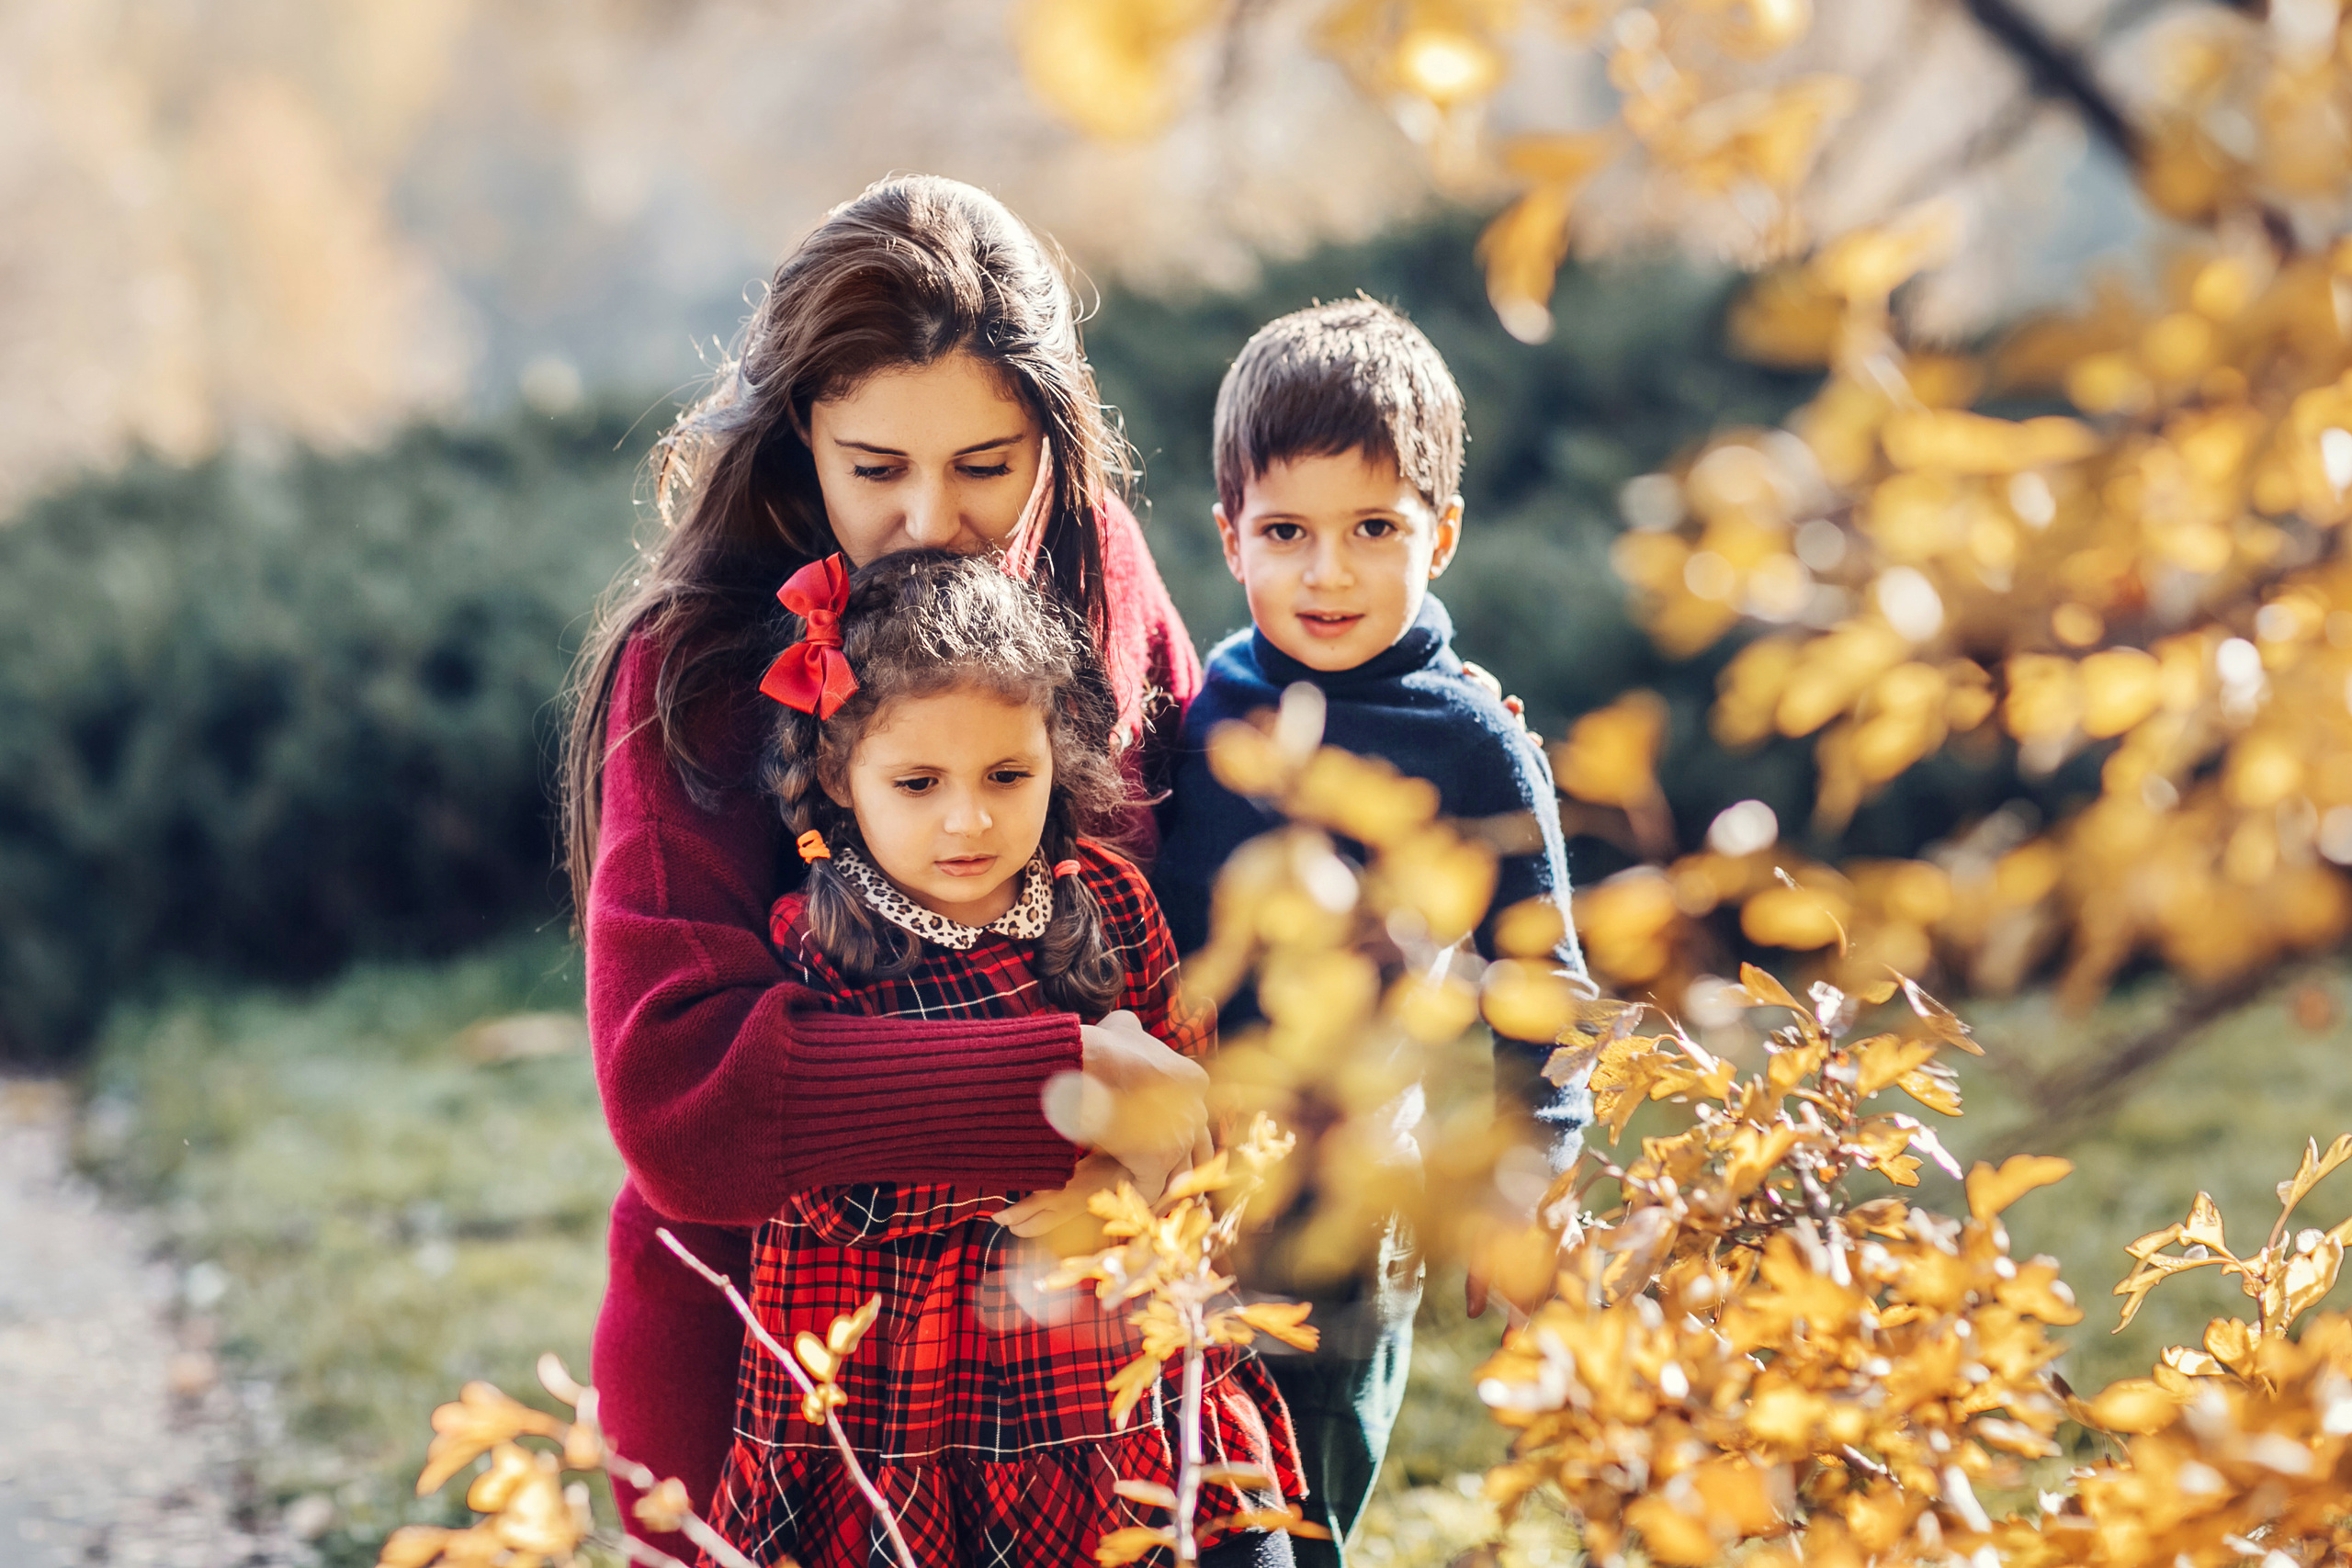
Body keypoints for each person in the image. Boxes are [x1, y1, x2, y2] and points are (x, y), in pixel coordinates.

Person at [560, 175, 1213, 1558]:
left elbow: (1206, 907)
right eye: (878, 468)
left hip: (1079, 1402)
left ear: (1057, 435)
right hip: (774, 1401)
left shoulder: (1100, 577)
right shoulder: (696, 669)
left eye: (987, 464)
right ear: (802, 437)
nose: (931, 516)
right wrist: (1074, 1085)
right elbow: (680, 1096)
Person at [711, 548, 1301, 1567]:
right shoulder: (824, 942)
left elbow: (1201, 1113)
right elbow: (834, 1192)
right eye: (917, 782)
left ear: (1056, 757)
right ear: (839, 779)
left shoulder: (1111, 901)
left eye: (1005, 775)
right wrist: (1054, 1153)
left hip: (1126, 1377)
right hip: (923, 1407)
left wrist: (1151, 1177)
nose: (967, 818)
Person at [1151, 297, 1596, 1564]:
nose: (1327, 571)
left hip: (1351, 1210)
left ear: (1440, 534)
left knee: (1305, 1513)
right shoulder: (1203, 706)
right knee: (1206, 1523)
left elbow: (1546, 986)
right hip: (1183, 1195)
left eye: (1373, 529)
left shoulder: (1473, 741)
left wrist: (1533, 1183)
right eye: (1286, 530)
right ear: (1229, 532)